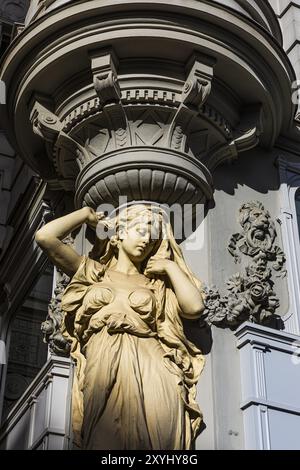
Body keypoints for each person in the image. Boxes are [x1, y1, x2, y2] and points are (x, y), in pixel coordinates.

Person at [35, 203, 205, 450]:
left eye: (153, 236)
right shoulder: (93, 272)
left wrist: (169, 266)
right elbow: (45, 237)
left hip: (153, 364)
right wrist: (86, 215)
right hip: (104, 358)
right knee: (104, 436)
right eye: (142, 230)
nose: (147, 240)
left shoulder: (154, 284)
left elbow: (194, 308)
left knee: (160, 439)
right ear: (120, 232)